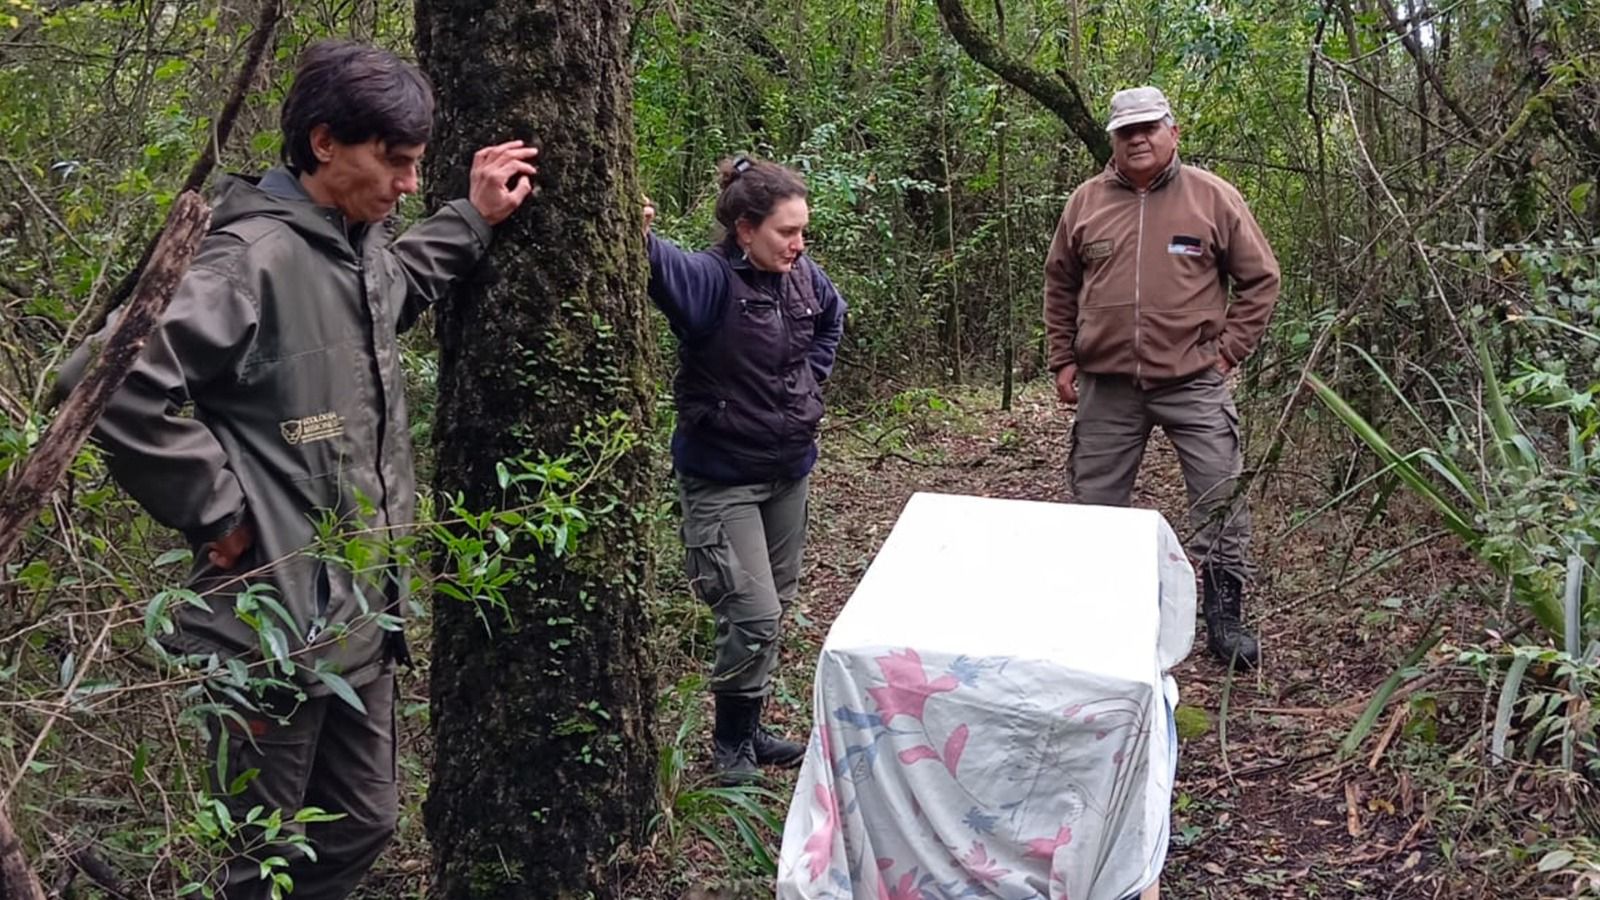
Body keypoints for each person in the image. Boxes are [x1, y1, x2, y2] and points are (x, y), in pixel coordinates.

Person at [56, 40, 537, 898]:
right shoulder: (250, 257)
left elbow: (392, 288)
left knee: (362, 823)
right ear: (324, 143)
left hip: (359, 619)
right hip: (269, 626)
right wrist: (217, 510)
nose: (406, 184)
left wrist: (471, 217)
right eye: (394, 162)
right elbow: (107, 383)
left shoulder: (355, 245)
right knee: (266, 858)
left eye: (417, 165)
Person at [1043, 86, 1280, 670]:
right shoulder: (1086, 203)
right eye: (1127, 131)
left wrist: (1228, 353)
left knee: (1220, 494)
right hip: (1107, 383)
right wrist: (1063, 359)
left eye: (1149, 127)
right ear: (1114, 141)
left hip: (1193, 380)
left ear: (1173, 131)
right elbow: (1060, 284)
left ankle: (1224, 619)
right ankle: (1101, 616)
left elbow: (1261, 279)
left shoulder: (1212, 198)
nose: (1139, 138)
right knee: (1096, 503)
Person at [642, 156, 847, 783]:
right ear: (745, 229)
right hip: (723, 475)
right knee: (751, 611)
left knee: (772, 607)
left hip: (789, 470)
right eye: (787, 232)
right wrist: (637, 227)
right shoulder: (708, 281)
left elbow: (832, 323)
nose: (799, 243)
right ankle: (729, 743)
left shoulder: (804, 277)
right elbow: (653, 259)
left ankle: (752, 729)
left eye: (803, 230)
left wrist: (809, 382)